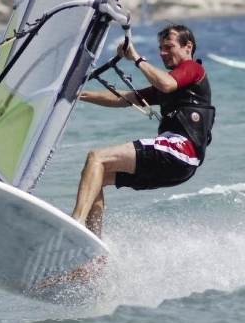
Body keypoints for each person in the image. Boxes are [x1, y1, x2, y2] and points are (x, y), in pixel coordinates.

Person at [71, 24, 215, 236]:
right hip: (180, 167)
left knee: (96, 158)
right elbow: (125, 99)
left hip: (179, 151)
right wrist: (79, 95)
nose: (162, 53)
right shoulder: (172, 84)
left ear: (188, 47)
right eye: (160, 48)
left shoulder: (192, 69)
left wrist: (137, 58)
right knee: (96, 176)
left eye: (168, 47)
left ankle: (76, 223)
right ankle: (92, 248)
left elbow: (166, 84)